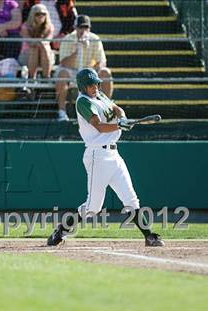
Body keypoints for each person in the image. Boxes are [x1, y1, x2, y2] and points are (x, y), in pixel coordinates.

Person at [47, 68, 165, 247]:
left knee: (131, 199)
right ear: (82, 86)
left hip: (114, 154)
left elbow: (116, 108)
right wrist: (119, 125)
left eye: (95, 83)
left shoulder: (100, 96)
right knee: (93, 208)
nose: (94, 87)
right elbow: (99, 126)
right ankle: (61, 230)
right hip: (97, 155)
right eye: (90, 85)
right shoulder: (83, 102)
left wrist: (123, 118)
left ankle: (149, 236)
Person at [55, 15, 112, 121]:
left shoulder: (95, 39)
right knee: (62, 75)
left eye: (86, 28)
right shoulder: (68, 39)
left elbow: (102, 61)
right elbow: (63, 63)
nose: (83, 30)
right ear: (75, 28)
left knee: (105, 72)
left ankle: (106, 110)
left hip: (89, 70)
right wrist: (78, 49)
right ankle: (62, 112)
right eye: (81, 27)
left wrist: (97, 68)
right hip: (71, 70)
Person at [19, 4, 54, 79]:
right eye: (37, 14)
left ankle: (46, 77)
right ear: (32, 15)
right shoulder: (25, 26)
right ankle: (31, 78)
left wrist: (40, 43)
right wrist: (38, 43)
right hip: (26, 55)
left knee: (44, 46)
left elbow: (48, 40)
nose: (41, 16)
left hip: (45, 54)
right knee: (34, 48)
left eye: (43, 14)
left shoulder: (50, 27)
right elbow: (29, 41)